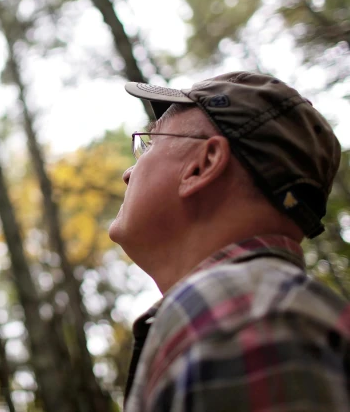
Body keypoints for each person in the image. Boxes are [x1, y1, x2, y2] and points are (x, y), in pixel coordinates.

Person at [109, 71, 350, 411]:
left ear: (202, 165)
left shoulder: (237, 312)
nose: (128, 173)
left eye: (149, 143)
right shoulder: (270, 306)